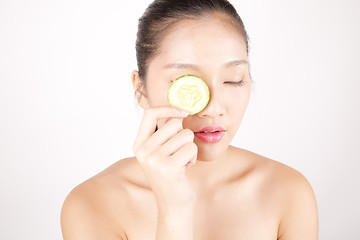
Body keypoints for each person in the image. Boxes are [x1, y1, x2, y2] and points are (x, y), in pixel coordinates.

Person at [60, 0, 319, 239]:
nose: (213, 108)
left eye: (234, 79)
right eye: (186, 82)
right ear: (141, 90)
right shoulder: (91, 204)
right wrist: (174, 209)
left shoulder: (289, 192)